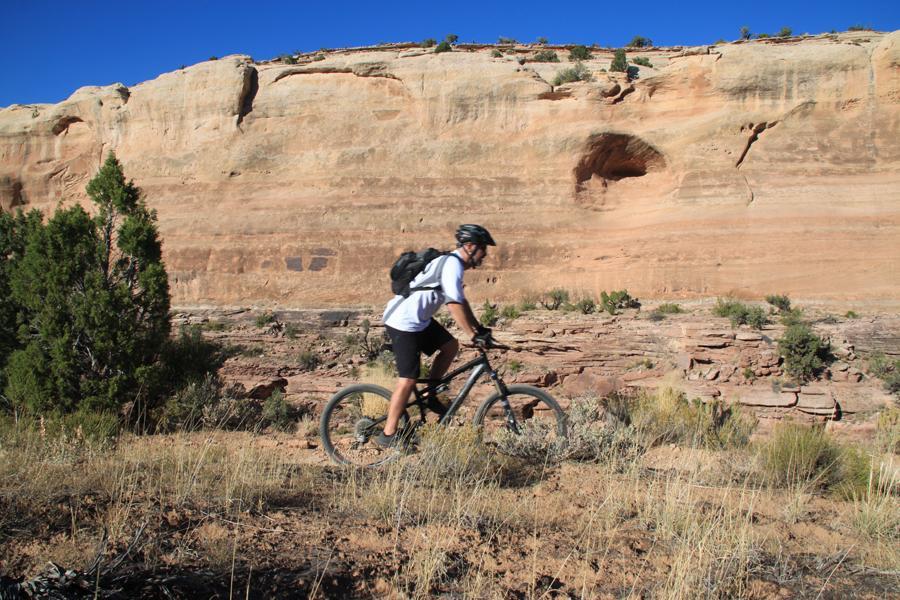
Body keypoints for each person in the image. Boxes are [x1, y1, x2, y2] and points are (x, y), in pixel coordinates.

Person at [377, 224, 496, 448]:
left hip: (419, 321)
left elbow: (461, 301)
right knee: (408, 379)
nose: (484, 255)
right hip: (403, 322)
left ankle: (431, 395)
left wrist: (478, 328)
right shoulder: (452, 264)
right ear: (470, 247)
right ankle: (388, 434)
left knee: (450, 346)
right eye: (482, 249)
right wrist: (472, 335)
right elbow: (453, 304)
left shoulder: (453, 265)